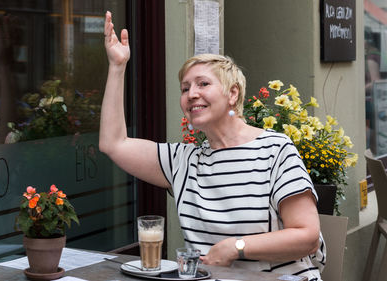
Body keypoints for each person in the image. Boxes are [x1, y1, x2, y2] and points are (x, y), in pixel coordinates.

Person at [100, 11, 325, 280]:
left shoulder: (275, 150)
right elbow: (113, 143)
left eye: (203, 84)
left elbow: (307, 236)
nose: (191, 94)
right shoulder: (182, 161)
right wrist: (117, 67)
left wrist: (236, 247)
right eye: (185, 88)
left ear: (233, 94)